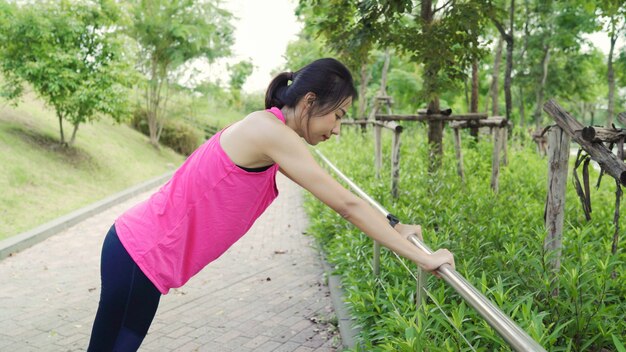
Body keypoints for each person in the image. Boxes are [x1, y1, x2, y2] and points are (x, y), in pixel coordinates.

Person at [87, 57, 455, 351]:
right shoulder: (271, 133)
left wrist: (396, 228)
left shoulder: (272, 132)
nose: (338, 128)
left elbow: (342, 197)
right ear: (310, 101)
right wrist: (424, 258)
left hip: (140, 256)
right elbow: (346, 205)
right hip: (140, 254)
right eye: (337, 116)